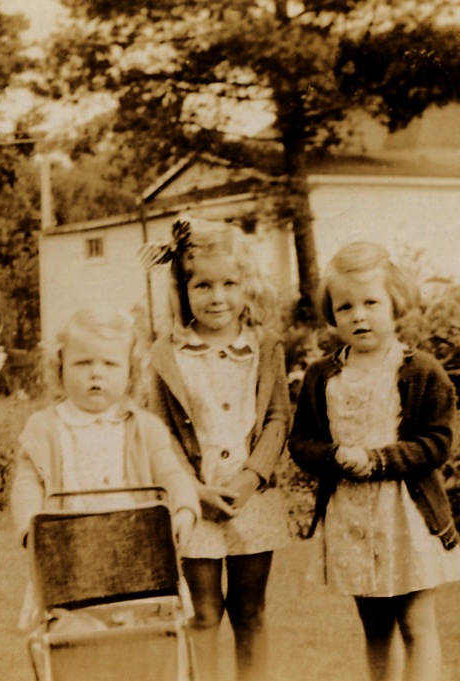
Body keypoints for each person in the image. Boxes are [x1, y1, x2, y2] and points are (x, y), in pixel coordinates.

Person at [288, 241, 460, 681]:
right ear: (331, 314)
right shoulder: (321, 375)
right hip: (352, 516)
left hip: (407, 515)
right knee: (375, 629)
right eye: (344, 306)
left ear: (396, 303)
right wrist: (334, 457)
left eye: (371, 302)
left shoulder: (420, 370)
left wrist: (380, 461)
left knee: (415, 624)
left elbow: (437, 441)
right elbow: (302, 441)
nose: (359, 315)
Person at [144, 216, 291, 681]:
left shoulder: (265, 347)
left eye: (230, 283)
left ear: (247, 284)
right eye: (202, 285)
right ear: (183, 289)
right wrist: (192, 490)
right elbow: (158, 430)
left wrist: (252, 477)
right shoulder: (167, 352)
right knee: (203, 613)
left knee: (250, 613)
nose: (217, 296)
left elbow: (277, 419)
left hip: (253, 500)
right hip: (196, 504)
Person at [10, 307, 200, 627]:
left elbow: (171, 474)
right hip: (70, 561)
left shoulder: (145, 427)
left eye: (110, 363)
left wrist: (184, 509)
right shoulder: (44, 428)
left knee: (144, 649)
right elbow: (28, 482)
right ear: (60, 369)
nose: (96, 373)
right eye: (83, 363)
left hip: (137, 560)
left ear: (130, 372)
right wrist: (32, 527)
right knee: (75, 647)